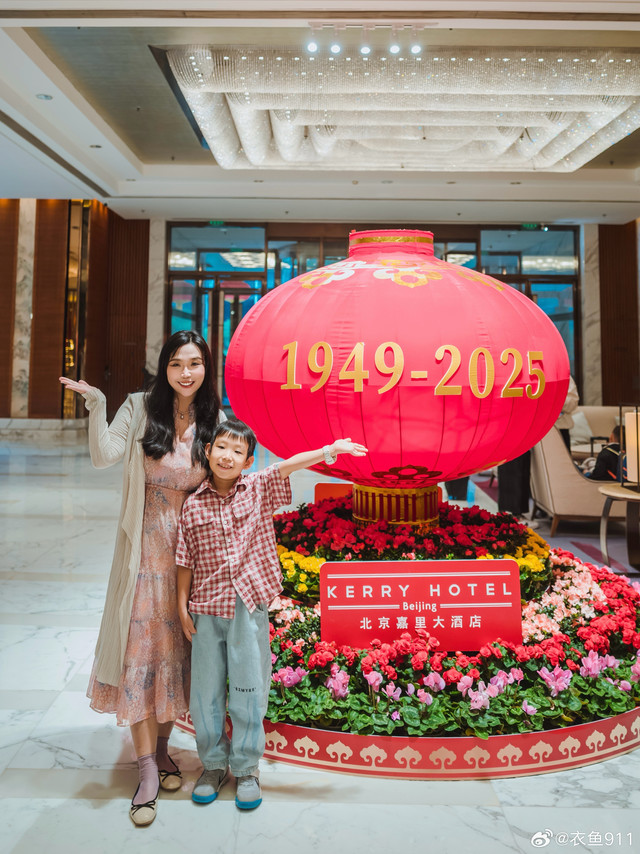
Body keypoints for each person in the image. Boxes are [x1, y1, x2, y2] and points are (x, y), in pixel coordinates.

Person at [59, 330, 224, 827]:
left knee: (176, 653)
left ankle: (167, 748)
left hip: (189, 555)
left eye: (194, 364)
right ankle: (148, 768)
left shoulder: (214, 420)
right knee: (142, 651)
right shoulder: (139, 407)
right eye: (176, 364)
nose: (186, 373)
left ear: (205, 368)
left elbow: (231, 480)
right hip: (143, 550)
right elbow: (104, 454)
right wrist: (98, 404)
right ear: (164, 368)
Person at [175, 418, 367, 810]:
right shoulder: (193, 504)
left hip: (248, 607)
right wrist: (181, 605)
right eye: (221, 448)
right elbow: (185, 560)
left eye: (238, 451)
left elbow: (290, 464)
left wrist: (331, 450)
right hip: (206, 609)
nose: (228, 457)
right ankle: (212, 765)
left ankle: (246, 768)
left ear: (247, 460)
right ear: (208, 451)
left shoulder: (257, 489)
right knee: (205, 694)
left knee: (248, 689)